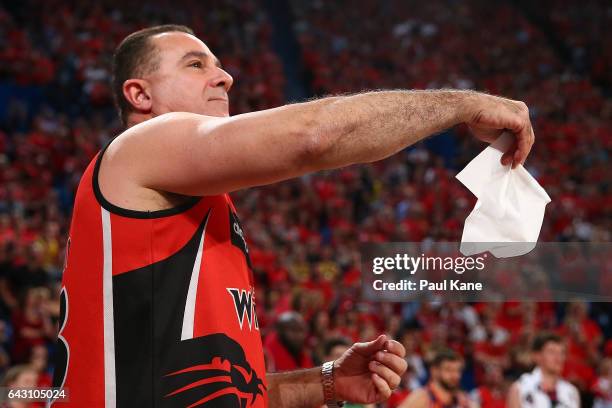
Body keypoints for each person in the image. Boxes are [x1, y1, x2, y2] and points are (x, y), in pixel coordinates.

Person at [52, 23, 535, 407]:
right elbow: (313, 136)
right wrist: (466, 104)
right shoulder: (140, 145)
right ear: (140, 96)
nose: (224, 77)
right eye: (196, 64)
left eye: (219, 64)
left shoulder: (196, 207)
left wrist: (325, 383)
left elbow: (228, 389)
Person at [507, 332, 580, 408]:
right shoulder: (520, 388)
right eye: (552, 352)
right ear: (536, 356)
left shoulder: (572, 392)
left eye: (562, 353)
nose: (559, 358)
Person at [398, 348, 476, 408]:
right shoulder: (422, 397)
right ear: (434, 371)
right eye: (448, 370)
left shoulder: (464, 401)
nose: (455, 375)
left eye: (457, 370)